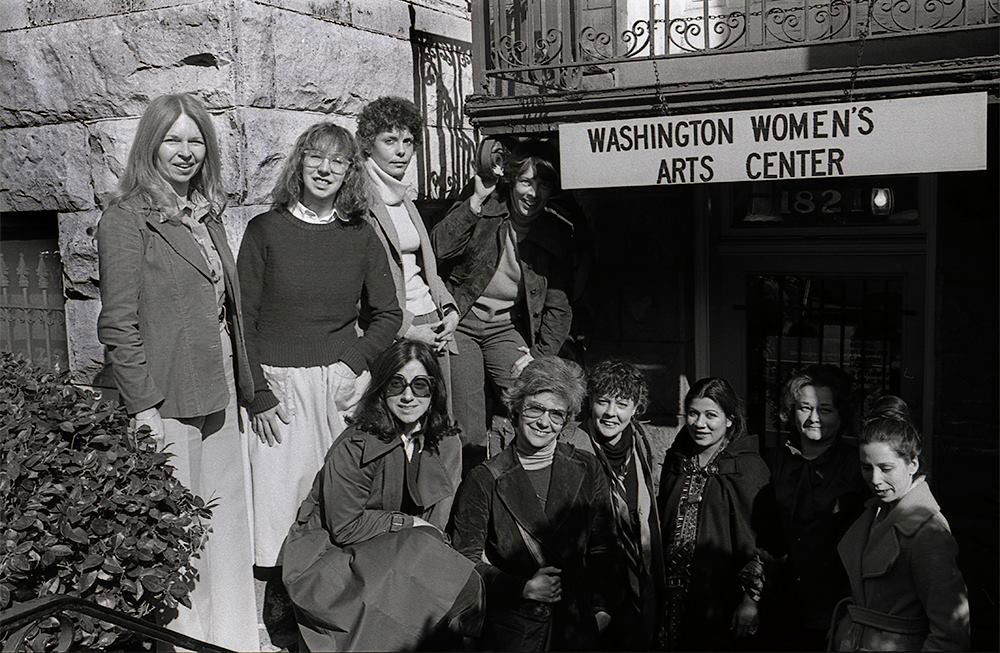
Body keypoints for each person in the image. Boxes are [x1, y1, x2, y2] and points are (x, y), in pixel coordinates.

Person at [96, 93, 257, 649]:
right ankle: (185, 642)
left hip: (219, 390)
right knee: (180, 535)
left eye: (196, 141)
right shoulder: (124, 219)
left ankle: (232, 637)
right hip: (166, 401)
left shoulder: (206, 215)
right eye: (174, 140)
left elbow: (226, 311)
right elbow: (117, 324)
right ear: (151, 145)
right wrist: (143, 407)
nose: (186, 152)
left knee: (226, 529)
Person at [237, 122, 402, 568]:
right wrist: (258, 394)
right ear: (300, 161)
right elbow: (241, 321)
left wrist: (354, 363)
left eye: (338, 161)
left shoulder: (361, 234)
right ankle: (279, 617)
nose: (325, 169)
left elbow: (389, 314)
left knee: (341, 512)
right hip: (279, 396)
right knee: (279, 521)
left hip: (341, 389)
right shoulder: (264, 231)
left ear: (350, 172)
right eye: (316, 156)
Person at [281, 340, 481, 651]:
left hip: (398, 547)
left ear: (435, 390)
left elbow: (436, 522)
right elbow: (344, 527)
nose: (408, 396)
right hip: (334, 554)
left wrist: (419, 535)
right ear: (382, 387)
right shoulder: (356, 444)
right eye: (397, 383)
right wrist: (408, 524)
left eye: (420, 385)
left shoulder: (444, 442)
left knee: (455, 587)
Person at [450, 356, 616, 651]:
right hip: (513, 633)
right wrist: (522, 587)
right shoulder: (484, 478)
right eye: (536, 408)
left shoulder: (587, 467)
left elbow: (603, 546)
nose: (544, 421)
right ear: (516, 409)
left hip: (575, 630)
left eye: (556, 414)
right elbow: (463, 560)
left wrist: (601, 610)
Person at [431, 140, 573, 468]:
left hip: (505, 327)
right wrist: (475, 201)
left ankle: (526, 476)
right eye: (526, 181)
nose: (533, 193)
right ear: (511, 181)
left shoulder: (555, 233)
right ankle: (473, 488)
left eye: (543, 184)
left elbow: (559, 305)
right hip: (462, 324)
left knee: (538, 397)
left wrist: (539, 355)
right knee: (468, 425)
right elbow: (438, 248)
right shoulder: (486, 211)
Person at [355, 95, 463, 509]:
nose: (401, 150)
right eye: (389, 140)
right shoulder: (361, 202)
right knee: (400, 429)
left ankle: (436, 528)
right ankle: (400, 525)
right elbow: (363, 285)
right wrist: (405, 328)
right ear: (368, 144)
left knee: (441, 428)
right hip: (399, 327)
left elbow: (424, 267)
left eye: (408, 141)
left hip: (433, 321)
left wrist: (448, 308)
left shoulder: (406, 197)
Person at [832, 399, 970, 651]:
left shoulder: (927, 530)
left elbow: (950, 632)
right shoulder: (873, 513)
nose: (875, 479)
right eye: (866, 467)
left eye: (886, 468)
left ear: (912, 465)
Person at [658, 377, 772, 651]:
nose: (700, 424)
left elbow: (760, 540)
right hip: (672, 595)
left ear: (730, 420)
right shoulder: (677, 459)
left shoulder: (748, 467)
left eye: (711, 415)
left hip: (721, 597)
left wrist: (750, 600)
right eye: (693, 414)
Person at [560, 359, 664, 650]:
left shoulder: (644, 442)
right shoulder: (571, 445)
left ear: (636, 408)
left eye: (622, 404)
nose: (610, 413)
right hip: (592, 582)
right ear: (589, 402)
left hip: (638, 577)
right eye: (602, 402)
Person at [763, 365, 868, 650]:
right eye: (804, 408)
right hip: (779, 599)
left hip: (832, 604)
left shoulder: (858, 469)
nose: (813, 418)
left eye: (825, 409)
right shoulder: (775, 461)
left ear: (841, 415)